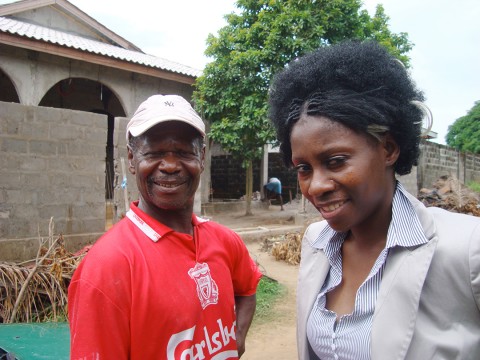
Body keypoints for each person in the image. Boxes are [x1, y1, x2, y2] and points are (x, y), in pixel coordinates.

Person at [268, 40, 480, 360]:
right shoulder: (317, 244)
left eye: (336, 161)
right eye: (303, 169)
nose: (316, 186)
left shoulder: (466, 249)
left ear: (389, 149)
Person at [68, 94, 262, 359]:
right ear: (132, 159)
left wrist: (236, 339)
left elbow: (247, 288)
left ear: (202, 157)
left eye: (183, 152)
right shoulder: (106, 268)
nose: (170, 165)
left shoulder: (225, 241)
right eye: (155, 153)